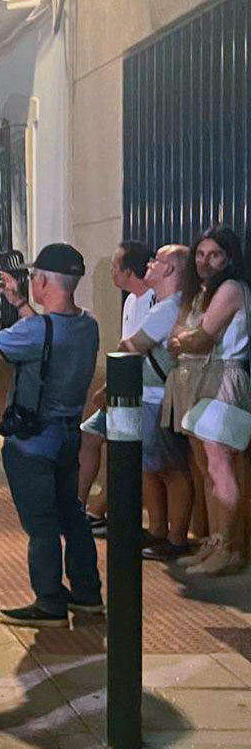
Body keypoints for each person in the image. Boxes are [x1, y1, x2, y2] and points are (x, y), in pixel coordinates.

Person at [0, 244, 104, 626]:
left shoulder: (35, 330)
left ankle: (49, 602)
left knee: (41, 526)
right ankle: (88, 594)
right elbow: (45, 333)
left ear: (42, 281)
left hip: (33, 442)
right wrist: (20, 302)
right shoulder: (88, 324)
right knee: (72, 515)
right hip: (69, 435)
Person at [162, 227, 251, 576]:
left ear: (229, 258)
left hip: (223, 380)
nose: (205, 262)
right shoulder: (199, 292)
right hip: (200, 379)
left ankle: (230, 547)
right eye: (200, 254)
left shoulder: (231, 289)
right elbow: (177, 337)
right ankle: (216, 541)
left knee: (220, 467)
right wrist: (186, 338)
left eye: (214, 255)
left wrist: (186, 339)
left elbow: (199, 339)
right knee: (205, 467)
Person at [118, 245, 193, 559]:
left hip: (159, 397)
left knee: (171, 469)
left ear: (171, 270)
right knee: (153, 467)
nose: (149, 264)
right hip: (151, 395)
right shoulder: (161, 304)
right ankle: (159, 530)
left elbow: (132, 345)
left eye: (157, 260)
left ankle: (175, 538)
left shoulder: (169, 307)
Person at [80, 242, 157, 528]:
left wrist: (111, 386)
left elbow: (139, 350)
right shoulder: (130, 301)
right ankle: (81, 503)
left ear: (128, 271)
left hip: (141, 390)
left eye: (115, 267)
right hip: (122, 385)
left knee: (126, 452)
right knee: (89, 434)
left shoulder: (154, 300)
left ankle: (100, 509)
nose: (112, 273)